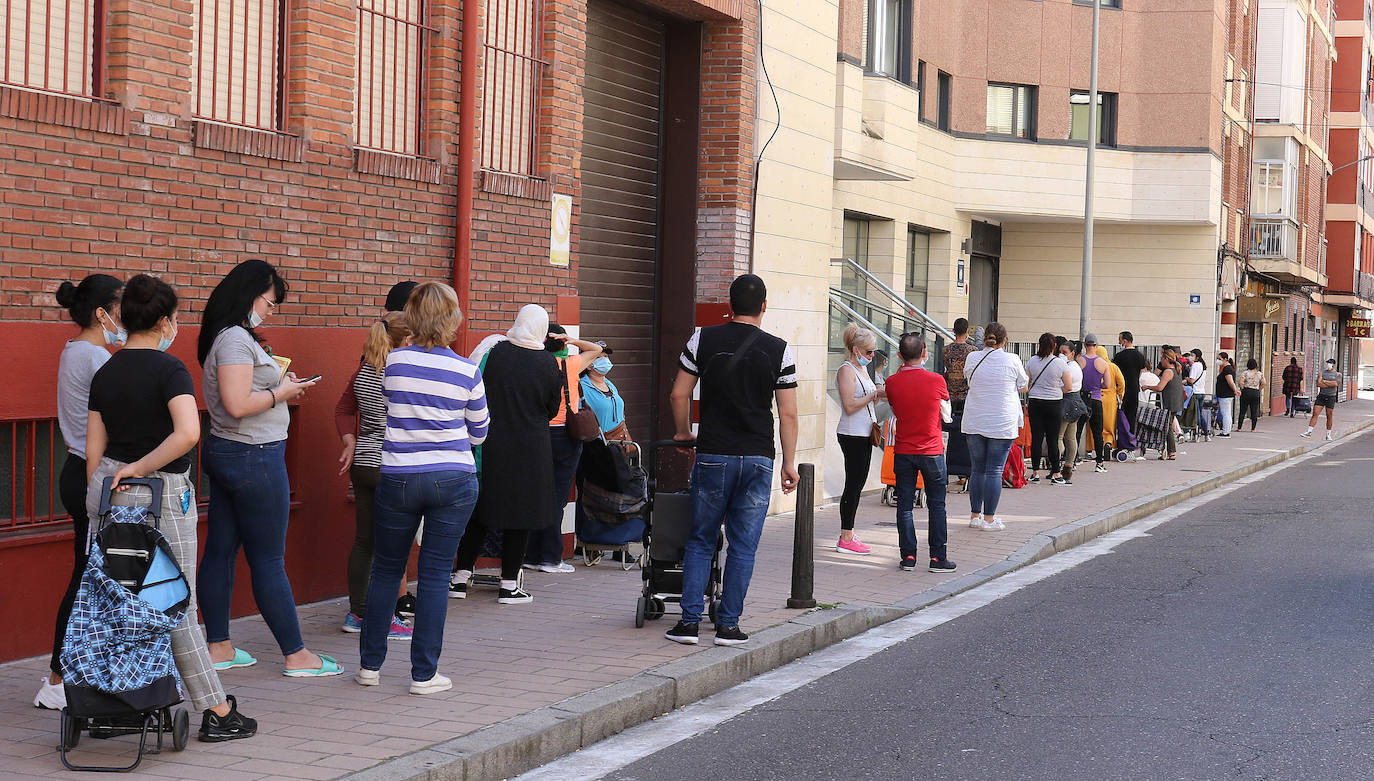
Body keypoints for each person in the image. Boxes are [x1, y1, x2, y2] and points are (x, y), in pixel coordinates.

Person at [84, 274, 257, 741]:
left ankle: (119, 706)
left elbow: (94, 453)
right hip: (161, 492)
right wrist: (142, 467)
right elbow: (187, 433)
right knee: (174, 600)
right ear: (164, 321)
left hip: (109, 494)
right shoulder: (169, 370)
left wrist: (104, 499)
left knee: (119, 601)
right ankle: (217, 711)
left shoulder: (106, 371)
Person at [197, 260, 336, 677]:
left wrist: (278, 385)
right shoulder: (236, 339)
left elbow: (240, 394)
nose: (271, 311)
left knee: (221, 550)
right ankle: (296, 655)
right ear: (251, 294)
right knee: (269, 558)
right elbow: (239, 404)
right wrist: (283, 391)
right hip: (254, 455)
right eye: (271, 302)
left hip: (230, 452)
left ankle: (219, 646)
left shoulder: (224, 337)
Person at [355, 282, 487, 695]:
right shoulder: (468, 371)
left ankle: (369, 666)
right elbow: (480, 432)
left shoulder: (393, 363)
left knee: (386, 568)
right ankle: (424, 674)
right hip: (453, 478)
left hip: (398, 476)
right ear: (453, 321)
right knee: (433, 576)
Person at [664, 274, 799, 647]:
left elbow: (679, 394)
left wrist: (682, 433)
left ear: (730, 304)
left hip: (713, 455)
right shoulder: (780, 349)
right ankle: (729, 626)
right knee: (744, 545)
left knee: (701, 539)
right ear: (764, 307)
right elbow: (787, 413)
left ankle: (689, 623)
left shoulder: (702, 338)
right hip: (758, 457)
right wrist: (789, 462)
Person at [35, 274, 123, 711]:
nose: (127, 315)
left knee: (92, 575)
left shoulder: (77, 351)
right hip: (90, 474)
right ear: (101, 313)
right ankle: (55, 678)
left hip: (78, 470)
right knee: (86, 578)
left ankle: (73, 673)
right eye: (121, 306)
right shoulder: (95, 357)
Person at [451, 305, 563, 604]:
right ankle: (509, 585)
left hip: (489, 444)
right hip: (530, 450)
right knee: (520, 515)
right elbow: (552, 409)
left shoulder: (494, 352)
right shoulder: (548, 363)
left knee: (480, 512)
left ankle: (460, 578)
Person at [334, 312, 415, 639]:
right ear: (406, 339)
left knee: (365, 541)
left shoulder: (364, 370)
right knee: (391, 547)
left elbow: (342, 409)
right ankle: (385, 620)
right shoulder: (402, 372)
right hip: (392, 464)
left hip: (364, 465)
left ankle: (358, 614)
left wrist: (349, 440)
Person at [524, 323, 602, 573]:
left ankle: (530, 554)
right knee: (556, 497)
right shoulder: (570, 365)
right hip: (564, 436)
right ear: (562, 344)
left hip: (536, 434)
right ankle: (550, 557)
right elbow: (596, 350)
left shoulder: (534, 365)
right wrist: (571, 340)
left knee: (536, 494)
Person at [884, 334, 956, 572]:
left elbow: (896, 407)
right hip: (932, 450)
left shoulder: (892, 382)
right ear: (924, 353)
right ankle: (938, 558)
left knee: (904, 505)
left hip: (904, 450)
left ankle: (908, 557)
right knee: (937, 505)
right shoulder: (936, 380)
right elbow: (945, 410)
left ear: (899, 356)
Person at [961, 323, 1028, 530]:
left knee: (977, 469)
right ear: (1004, 340)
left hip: (975, 419)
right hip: (1002, 421)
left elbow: (967, 378)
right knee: (995, 470)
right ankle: (989, 520)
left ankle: (975, 516)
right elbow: (1023, 385)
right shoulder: (1012, 359)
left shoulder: (973, 357)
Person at [833, 323, 883, 555]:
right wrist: (873, 395)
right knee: (853, 484)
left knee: (858, 482)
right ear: (856, 350)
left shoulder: (861, 370)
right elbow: (850, 405)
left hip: (863, 432)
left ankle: (849, 533)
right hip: (852, 432)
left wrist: (876, 396)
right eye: (869, 352)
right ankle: (846, 536)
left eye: (873, 352)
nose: (872, 356)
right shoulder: (846, 370)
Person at [1023, 333, 1072, 485]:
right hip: (1054, 404)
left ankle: (1035, 473)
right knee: (1053, 438)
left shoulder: (1032, 361)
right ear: (1054, 346)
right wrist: (1057, 391)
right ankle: (1056, 473)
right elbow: (1069, 387)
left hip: (1036, 402)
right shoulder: (1060, 363)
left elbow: (1026, 383)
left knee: (1036, 438)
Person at [1077, 334, 1112, 473]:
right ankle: (1099, 463)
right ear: (1096, 346)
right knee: (1097, 432)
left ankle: (1072, 461)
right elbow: (1108, 384)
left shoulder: (1079, 361)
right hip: (1096, 399)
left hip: (1081, 399)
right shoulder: (1103, 363)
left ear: (1085, 345)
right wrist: (1098, 386)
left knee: (1077, 431)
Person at [580, 345, 629, 440]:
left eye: (606, 356)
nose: (604, 360)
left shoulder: (609, 384)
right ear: (588, 364)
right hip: (597, 446)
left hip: (619, 443)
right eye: (598, 357)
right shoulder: (581, 387)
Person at [1144, 348, 1184, 459]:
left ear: (1166, 358)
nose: (1161, 361)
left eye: (1162, 358)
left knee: (1167, 427)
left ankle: (1171, 452)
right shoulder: (1177, 369)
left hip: (1170, 402)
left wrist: (1147, 387)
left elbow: (1160, 387)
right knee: (1168, 425)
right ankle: (1166, 451)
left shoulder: (1168, 371)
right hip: (1176, 402)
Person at [1057, 338, 1084, 484]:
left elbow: (1063, 385)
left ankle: (1057, 465)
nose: (1061, 354)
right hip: (1076, 402)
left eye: (1064, 352)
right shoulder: (1074, 366)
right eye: (1060, 352)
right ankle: (1068, 466)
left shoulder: (1070, 368)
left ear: (1072, 353)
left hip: (1066, 401)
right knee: (1071, 437)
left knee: (1059, 436)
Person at [941, 317, 976, 411]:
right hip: (967, 393)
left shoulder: (945, 350)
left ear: (953, 330)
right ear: (968, 331)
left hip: (950, 392)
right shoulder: (973, 350)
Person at [1113, 331, 1147, 424]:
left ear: (1124, 341)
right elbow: (1141, 371)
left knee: (1121, 415)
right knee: (1132, 416)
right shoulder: (1140, 356)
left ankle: (1122, 436)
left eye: (1120, 341)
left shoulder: (1119, 356)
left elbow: (1115, 373)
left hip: (1122, 390)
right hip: (1135, 389)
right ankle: (1131, 436)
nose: (1119, 343)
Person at [1302, 358, 1341, 440]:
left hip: (1331, 397)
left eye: (1330, 363)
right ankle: (1309, 432)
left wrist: (1324, 381)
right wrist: (1328, 383)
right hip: (1321, 396)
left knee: (1329, 415)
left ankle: (1328, 434)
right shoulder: (1322, 373)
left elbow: (1335, 383)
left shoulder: (1338, 374)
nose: (1328, 365)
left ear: (1334, 364)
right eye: (1328, 363)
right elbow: (1318, 384)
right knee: (1315, 413)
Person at [1237, 358, 1266, 432]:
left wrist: (1242, 389)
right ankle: (1253, 428)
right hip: (1255, 392)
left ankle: (1239, 428)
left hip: (1246, 391)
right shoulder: (1259, 374)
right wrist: (1259, 389)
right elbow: (1264, 383)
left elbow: (1240, 382)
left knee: (1243, 410)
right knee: (1254, 411)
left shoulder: (1245, 373)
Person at [1215, 352, 1238, 436]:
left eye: (1219, 359)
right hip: (1225, 394)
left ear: (1225, 359)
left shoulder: (1227, 369)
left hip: (1225, 394)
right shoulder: (1226, 368)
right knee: (1226, 413)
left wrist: (1235, 390)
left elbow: (1230, 382)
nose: (1218, 361)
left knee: (1226, 413)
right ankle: (1226, 430)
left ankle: (1226, 431)